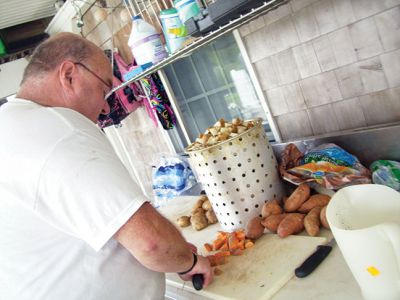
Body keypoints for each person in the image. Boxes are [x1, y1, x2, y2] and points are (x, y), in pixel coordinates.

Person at [0, 32, 213, 300]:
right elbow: (151, 242)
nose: (104, 108)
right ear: (68, 76)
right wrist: (190, 262)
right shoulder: (58, 128)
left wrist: (175, 251)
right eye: (104, 90)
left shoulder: (10, 127)